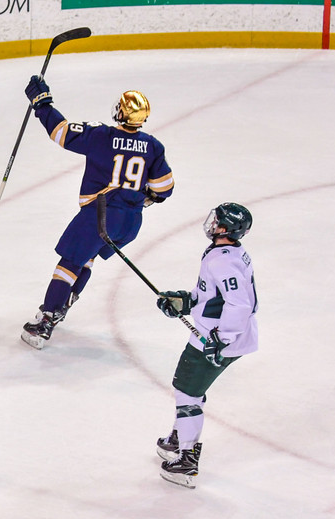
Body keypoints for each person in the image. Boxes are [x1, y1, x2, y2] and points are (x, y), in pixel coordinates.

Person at [20, 77, 175, 349]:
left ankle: (46, 319)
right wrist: (141, 198)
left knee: (69, 263)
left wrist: (42, 103)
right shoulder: (153, 146)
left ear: (120, 112)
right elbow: (164, 188)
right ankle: (64, 305)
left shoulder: (103, 136)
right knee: (86, 259)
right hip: (130, 221)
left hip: (100, 214)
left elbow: (61, 132)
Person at [155, 203, 258, 488]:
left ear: (227, 229)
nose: (211, 224)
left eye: (217, 222)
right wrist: (185, 301)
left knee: (187, 393)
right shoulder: (226, 253)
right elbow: (212, 294)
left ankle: (186, 460)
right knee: (188, 388)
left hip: (216, 338)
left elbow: (239, 303)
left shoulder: (221, 260)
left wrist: (222, 339)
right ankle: (179, 439)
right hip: (214, 334)